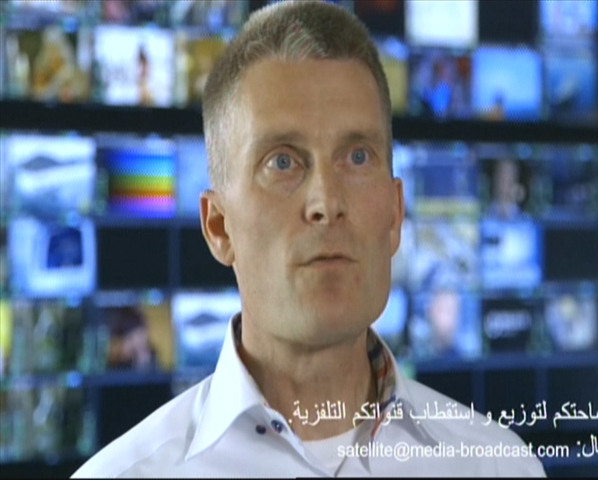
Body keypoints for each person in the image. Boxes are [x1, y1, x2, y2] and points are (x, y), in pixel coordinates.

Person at [73, 1, 546, 477]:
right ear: (218, 226)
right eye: (282, 162)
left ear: (395, 213)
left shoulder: (498, 466)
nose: (327, 202)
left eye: (357, 157)